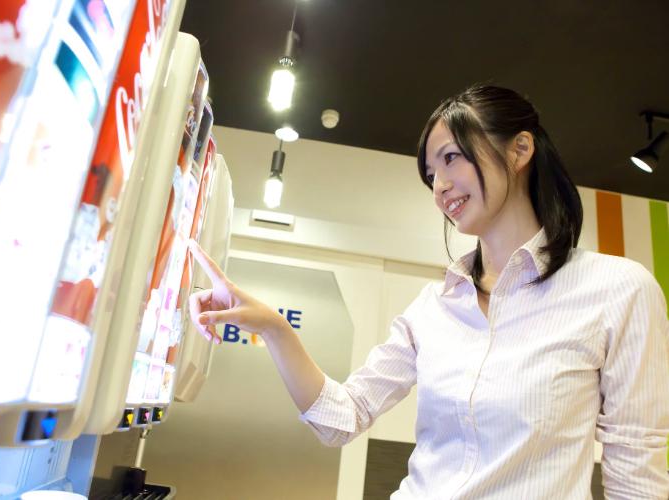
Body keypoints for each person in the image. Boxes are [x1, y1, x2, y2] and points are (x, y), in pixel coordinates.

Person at [186, 85, 669, 499]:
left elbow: (637, 469)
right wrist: (274, 327)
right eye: (430, 174)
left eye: (451, 158)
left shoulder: (617, 291)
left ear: (520, 150)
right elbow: (341, 418)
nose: (439, 186)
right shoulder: (433, 308)